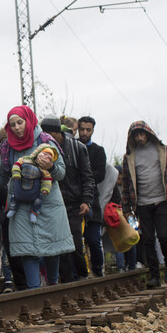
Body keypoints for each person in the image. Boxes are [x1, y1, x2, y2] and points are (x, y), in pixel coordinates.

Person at [0, 107, 73, 289]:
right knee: (26, 249)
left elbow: (61, 173)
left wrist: (51, 166)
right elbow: (2, 175)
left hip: (48, 202)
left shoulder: (46, 141)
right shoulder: (7, 147)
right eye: (12, 124)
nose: (16, 128)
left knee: (52, 247)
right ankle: (34, 290)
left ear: (29, 121)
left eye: (20, 122)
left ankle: (53, 284)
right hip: (20, 203)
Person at [120, 121, 167, 288]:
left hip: (162, 200)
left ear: (148, 134)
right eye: (136, 135)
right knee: (147, 239)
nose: (140, 138)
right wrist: (126, 208)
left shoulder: (161, 150)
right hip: (142, 203)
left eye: (142, 134)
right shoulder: (129, 156)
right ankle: (154, 275)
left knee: (162, 235)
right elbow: (126, 184)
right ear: (132, 137)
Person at [40, 115, 95, 283]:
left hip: (74, 204)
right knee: (59, 247)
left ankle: (83, 277)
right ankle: (66, 282)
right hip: (54, 204)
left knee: (76, 243)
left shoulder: (77, 148)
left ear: (56, 132)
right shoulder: (44, 150)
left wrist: (86, 200)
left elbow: (87, 176)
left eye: (50, 133)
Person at [77, 116, 107, 277]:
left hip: (92, 200)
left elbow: (100, 174)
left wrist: (84, 176)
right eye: (82, 129)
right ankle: (81, 273)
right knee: (77, 241)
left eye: (88, 129)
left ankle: (98, 270)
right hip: (75, 199)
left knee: (94, 241)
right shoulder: (73, 148)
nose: (84, 132)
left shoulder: (98, 151)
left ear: (93, 130)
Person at [6, 144, 58, 222]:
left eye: (49, 156)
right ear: (38, 152)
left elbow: (47, 179)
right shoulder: (24, 159)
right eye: (45, 153)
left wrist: (46, 189)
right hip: (20, 188)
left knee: (38, 201)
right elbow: (16, 165)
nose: (46, 157)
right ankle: (13, 209)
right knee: (14, 197)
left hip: (34, 193)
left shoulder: (44, 170)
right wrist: (16, 173)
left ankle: (34, 213)